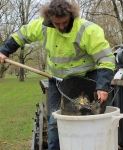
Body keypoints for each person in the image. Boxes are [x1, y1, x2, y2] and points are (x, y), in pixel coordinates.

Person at [0, 0, 115, 149]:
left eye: (64, 22)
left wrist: (102, 86)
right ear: (50, 19)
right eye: (56, 23)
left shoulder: (88, 30)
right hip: (57, 81)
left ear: (71, 17)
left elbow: (105, 58)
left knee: (90, 117)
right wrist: (4, 51)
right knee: (55, 120)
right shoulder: (42, 26)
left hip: (85, 79)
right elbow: (21, 35)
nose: (61, 27)